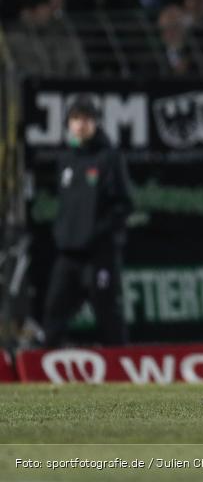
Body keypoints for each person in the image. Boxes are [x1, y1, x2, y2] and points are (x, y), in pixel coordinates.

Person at [42, 95, 133, 347]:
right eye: (74, 119)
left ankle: (122, 368)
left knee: (107, 312)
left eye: (86, 119)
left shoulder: (109, 158)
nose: (80, 125)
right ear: (68, 124)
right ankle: (46, 372)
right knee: (54, 311)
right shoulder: (66, 161)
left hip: (99, 255)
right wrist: (63, 234)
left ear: (96, 123)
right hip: (68, 254)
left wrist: (97, 233)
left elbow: (124, 205)